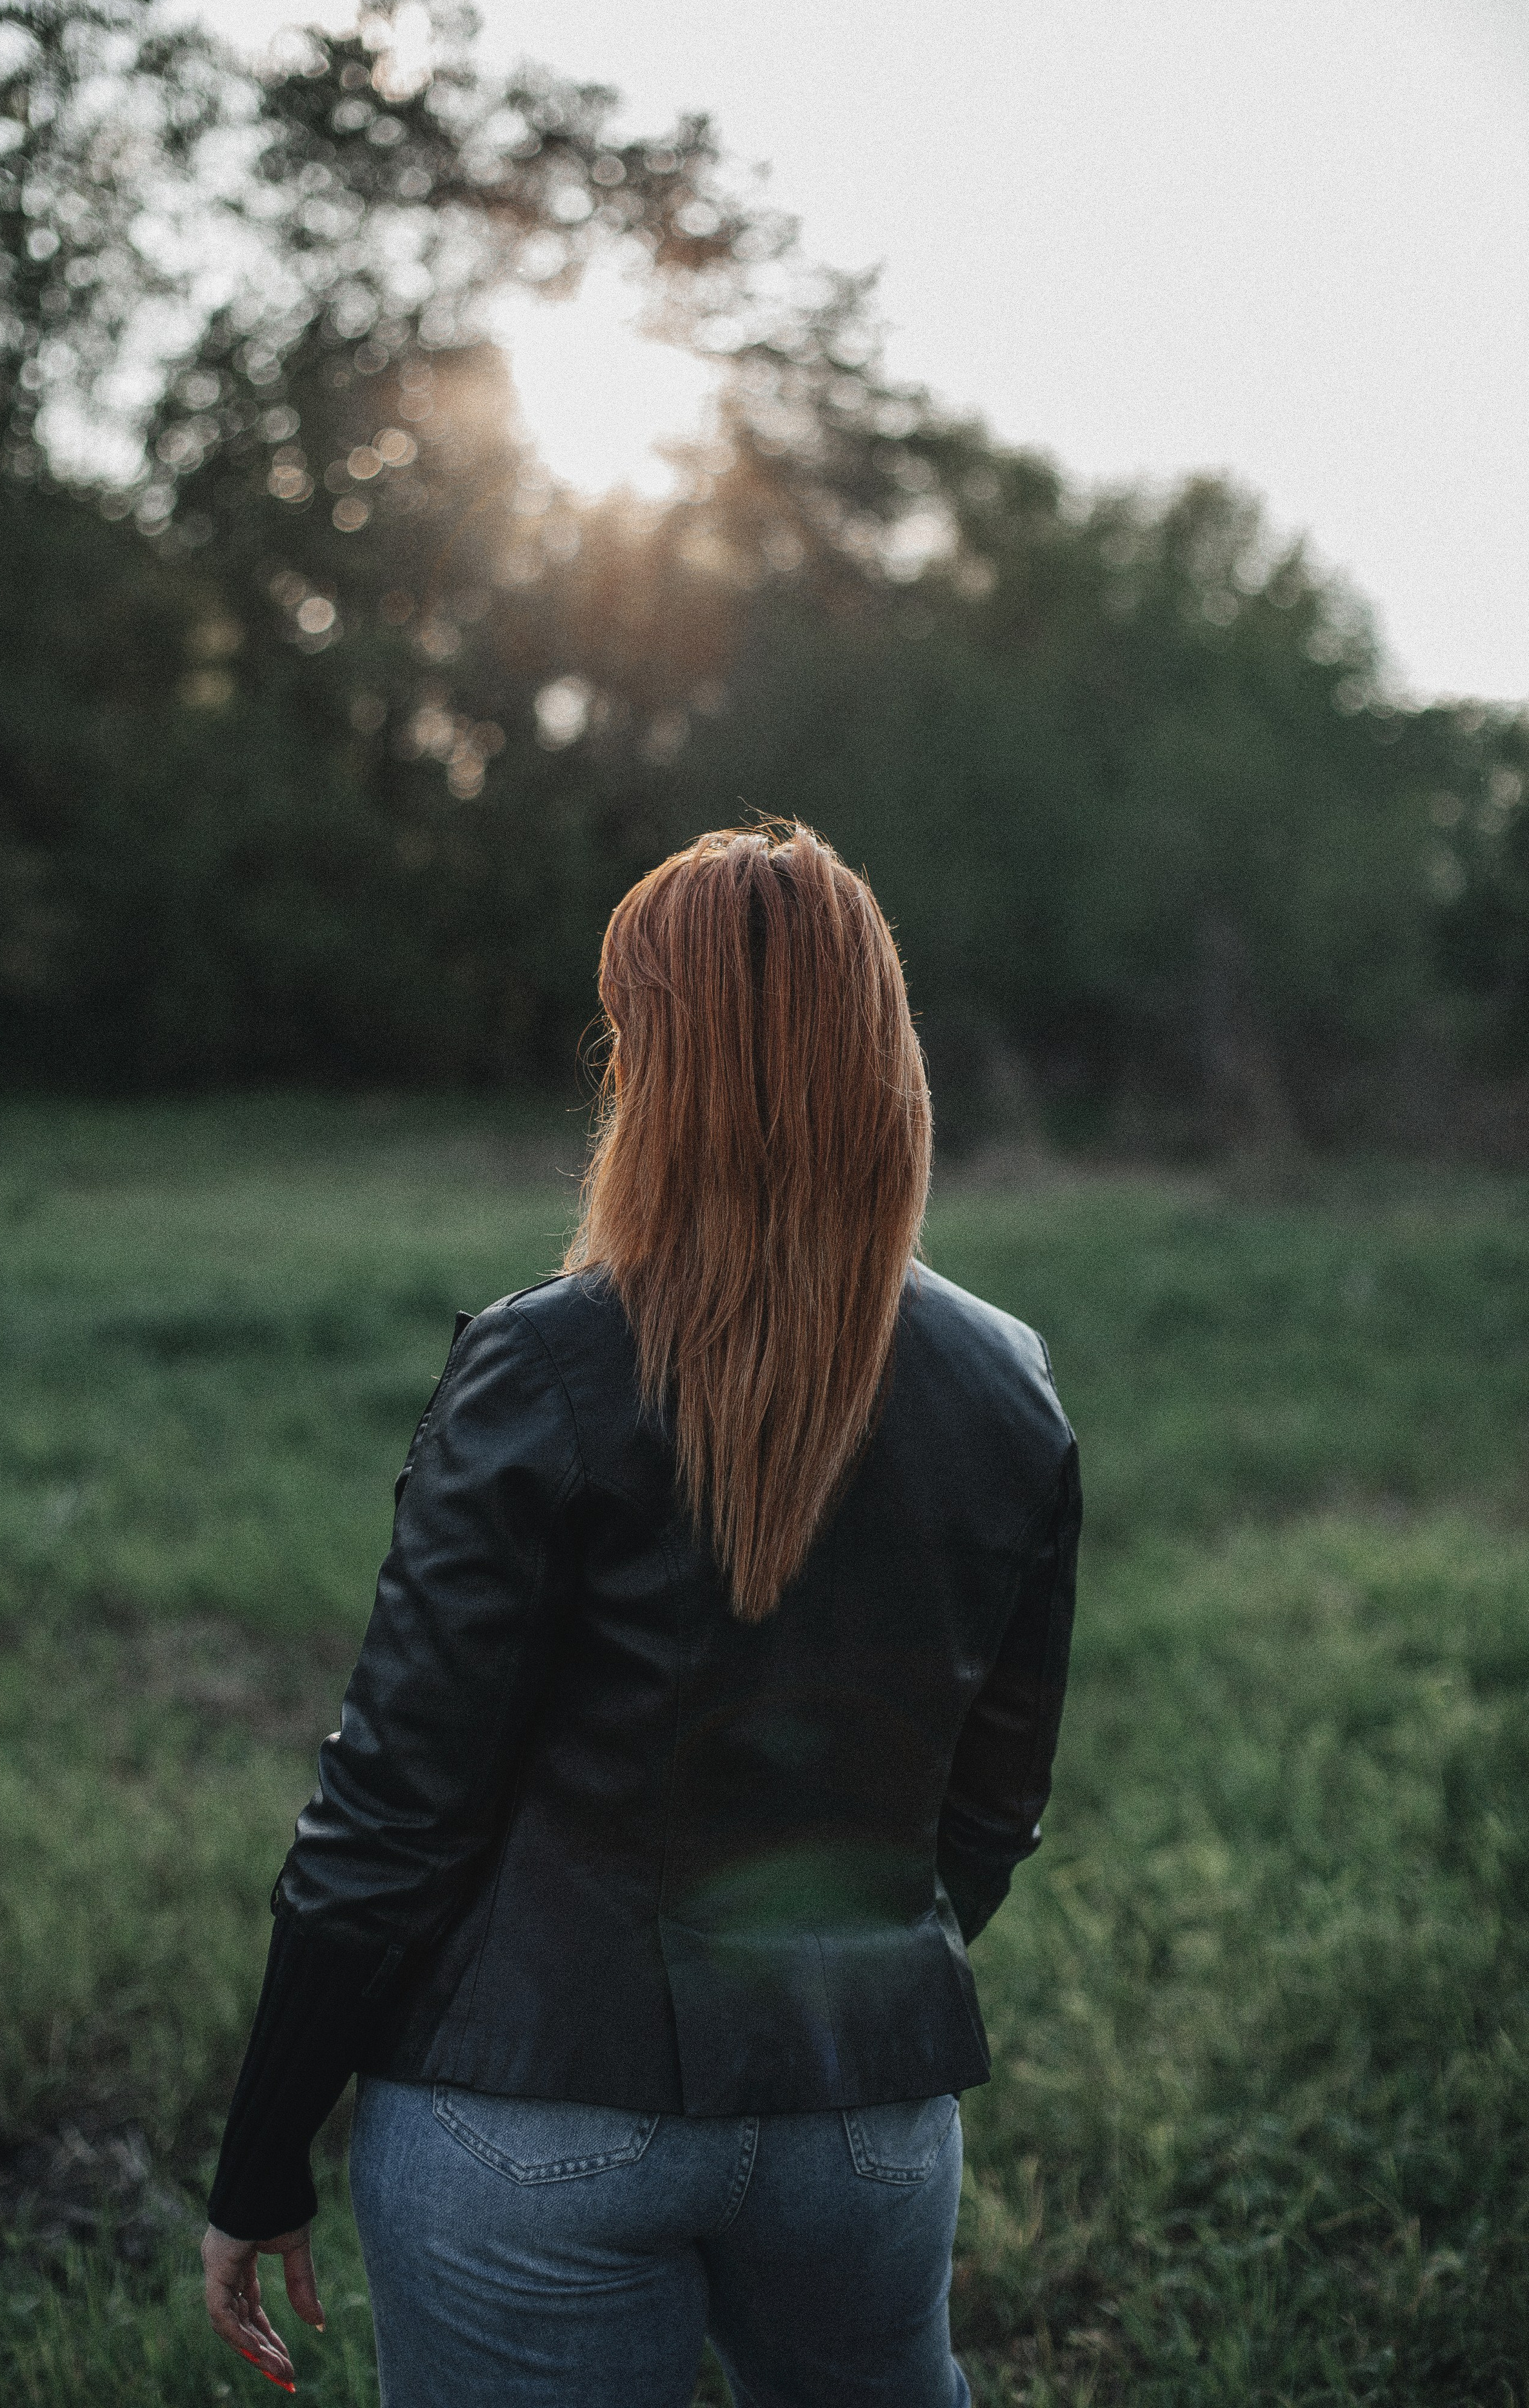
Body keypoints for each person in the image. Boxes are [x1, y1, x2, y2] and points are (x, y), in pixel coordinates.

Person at [201, 821, 1081, 2407]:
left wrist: (259, 2160)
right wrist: (839, 1981)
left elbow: (393, 1811)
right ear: (881, 1055)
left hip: (524, 2121)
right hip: (866, 2126)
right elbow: (993, 1812)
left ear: (651, 1065)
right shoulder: (1006, 1385)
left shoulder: (542, 1368)